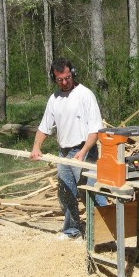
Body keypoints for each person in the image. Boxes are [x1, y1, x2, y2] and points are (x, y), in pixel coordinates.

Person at [31, 58, 107, 240]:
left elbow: (95, 129)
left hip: (84, 151)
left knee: (92, 193)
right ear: (54, 78)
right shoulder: (54, 99)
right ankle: (72, 230)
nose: (64, 82)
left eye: (67, 77)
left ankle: (106, 232)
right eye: (60, 79)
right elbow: (44, 127)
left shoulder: (85, 95)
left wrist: (83, 152)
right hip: (63, 153)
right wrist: (36, 147)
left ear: (72, 73)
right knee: (66, 193)